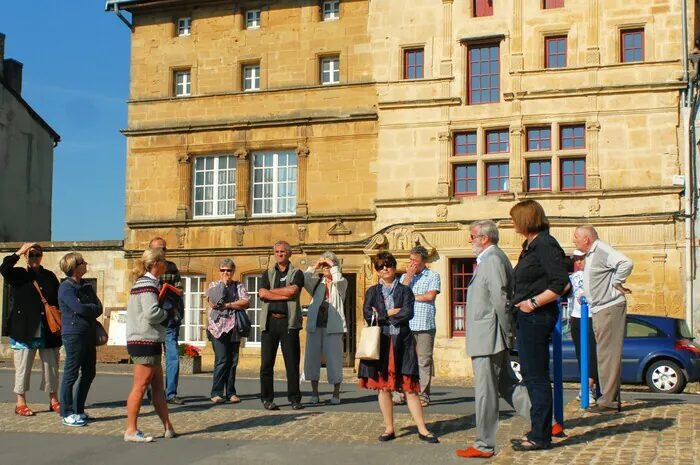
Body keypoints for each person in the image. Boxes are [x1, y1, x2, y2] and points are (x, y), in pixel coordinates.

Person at [456, 221, 532, 458]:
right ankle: (544, 422)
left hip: (489, 336)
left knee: (486, 392)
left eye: (472, 237)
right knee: (507, 385)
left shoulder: (492, 259)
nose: (470, 241)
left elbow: (500, 300)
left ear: (484, 238)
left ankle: (484, 444)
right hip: (489, 334)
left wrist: (508, 332)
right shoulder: (491, 259)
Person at [358, 251, 439, 444]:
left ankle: (422, 428)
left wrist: (384, 314)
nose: (384, 268)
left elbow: (408, 313)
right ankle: (389, 428)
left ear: (394, 267)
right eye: (380, 266)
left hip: (403, 342)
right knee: (383, 388)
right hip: (382, 343)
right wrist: (389, 313)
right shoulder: (372, 292)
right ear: (376, 271)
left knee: (410, 388)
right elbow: (367, 314)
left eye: (388, 264)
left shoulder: (405, 290)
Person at [509, 200, 570, 451]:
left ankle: (540, 436)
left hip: (536, 318)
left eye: (514, 218)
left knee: (536, 378)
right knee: (532, 377)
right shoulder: (531, 246)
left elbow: (561, 283)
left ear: (525, 219)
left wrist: (532, 303)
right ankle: (538, 430)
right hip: (526, 319)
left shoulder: (545, 243)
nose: (512, 223)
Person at [573, 225, 634, 412]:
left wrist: (616, 282)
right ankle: (609, 398)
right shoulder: (592, 254)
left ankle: (608, 400)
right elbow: (597, 279)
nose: (574, 240)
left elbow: (626, 263)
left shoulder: (601, 249)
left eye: (576, 237)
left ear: (586, 239)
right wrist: (587, 294)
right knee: (604, 355)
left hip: (609, 307)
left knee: (608, 355)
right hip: (600, 308)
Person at [1, 243, 61, 417]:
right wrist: (19, 251)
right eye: (31, 254)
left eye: (38, 254)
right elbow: (3, 268)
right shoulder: (19, 274)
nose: (35, 258)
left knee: (51, 366)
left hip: (48, 329)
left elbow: (57, 298)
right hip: (25, 328)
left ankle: (54, 400)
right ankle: (21, 402)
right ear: (26, 257)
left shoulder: (49, 276)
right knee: (23, 366)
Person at [124, 248, 176, 443]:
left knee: (157, 387)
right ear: (155, 264)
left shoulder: (149, 283)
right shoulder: (146, 285)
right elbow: (152, 313)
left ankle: (167, 426)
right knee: (140, 386)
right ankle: (131, 429)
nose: (165, 264)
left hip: (150, 340)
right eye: (163, 261)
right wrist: (168, 314)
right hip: (143, 340)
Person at [258, 241, 305, 410]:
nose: (279, 254)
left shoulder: (297, 273)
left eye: (283, 251)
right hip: (270, 322)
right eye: (277, 252)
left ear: (289, 254)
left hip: (289, 322)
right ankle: (267, 398)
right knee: (266, 364)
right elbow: (261, 293)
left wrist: (271, 294)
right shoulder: (268, 273)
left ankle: (294, 399)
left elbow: (293, 291)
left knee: (291, 363)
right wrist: (283, 293)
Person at [57, 252, 103, 427]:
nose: (86, 264)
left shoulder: (86, 286)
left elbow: (98, 307)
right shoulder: (66, 288)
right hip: (74, 334)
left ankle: (78, 409)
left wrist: (88, 307)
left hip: (89, 333)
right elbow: (78, 308)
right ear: (74, 267)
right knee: (71, 373)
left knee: (89, 372)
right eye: (82, 262)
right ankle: (66, 412)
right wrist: (88, 308)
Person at [392, 245, 440, 408]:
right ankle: (400, 394)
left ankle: (423, 396)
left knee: (424, 361)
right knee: (402, 359)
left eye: (415, 261)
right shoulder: (405, 277)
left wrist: (410, 298)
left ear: (423, 261)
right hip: (405, 324)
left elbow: (429, 296)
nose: (412, 263)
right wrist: (409, 277)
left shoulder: (433, 276)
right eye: (410, 259)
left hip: (424, 324)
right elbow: (398, 297)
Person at [303, 251, 348, 405]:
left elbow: (339, 280)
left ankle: (336, 393)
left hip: (333, 328)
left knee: (334, 360)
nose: (326, 268)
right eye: (325, 266)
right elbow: (302, 280)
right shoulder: (317, 283)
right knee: (312, 359)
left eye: (329, 265)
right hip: (315, 326)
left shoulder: (340, 283)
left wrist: (332, 265)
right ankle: (314, 393)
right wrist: (315, 265)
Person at [206, 258, 250, 404]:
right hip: (217, 328)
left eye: (229, 270)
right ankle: (216, 392)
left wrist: (229, 304)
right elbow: (215, 302)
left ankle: (230, 392)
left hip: (234, 327)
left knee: (232, 361)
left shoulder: (239, 286)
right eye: (223, 270)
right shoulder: (214, 285)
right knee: (221, 360)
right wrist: (224, 285)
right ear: (219, 271)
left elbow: (246, 302)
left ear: (233, 271)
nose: (226, 273)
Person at [149, 237, 185, 405]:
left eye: (163, 249)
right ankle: (152, 392)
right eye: (157, 249)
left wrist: (169, 291)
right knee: (152, 359)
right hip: (152, 321)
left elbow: (180, 290)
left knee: (172, 356)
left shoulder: (171, 267)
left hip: (170, 318)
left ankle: (170, 393)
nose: (161, 252)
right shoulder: (144, 268)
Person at [568, 249, 598, 405]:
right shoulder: (573, 277)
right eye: (575, 259)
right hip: (576, 316)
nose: (578, 262)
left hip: (592, 316)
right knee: (581, 355)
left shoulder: (595, 275)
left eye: (581, 258)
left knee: (592, 354)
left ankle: (588, 388)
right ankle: (586, 387)